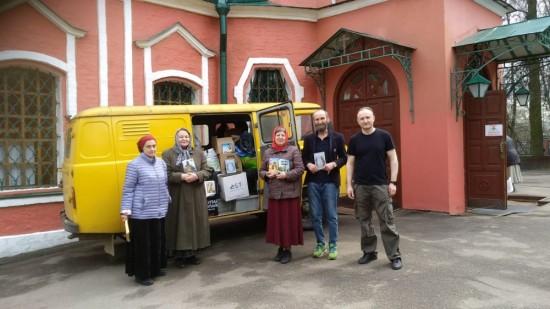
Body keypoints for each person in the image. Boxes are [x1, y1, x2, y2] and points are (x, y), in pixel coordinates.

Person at [346, 107, 402, 270]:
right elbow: (350, 163)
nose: (365, 121)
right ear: (358, 121)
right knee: (364, 220)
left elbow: (394, 159)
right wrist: (349, 184)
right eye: (362, 118)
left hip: (380, 185)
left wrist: (393, 182)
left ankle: (394, 256)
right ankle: (369, 252)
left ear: (373, 118)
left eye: (367, 117)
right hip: (361, 186)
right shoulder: (355, 139)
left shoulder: (384, 136)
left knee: (387, 220)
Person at [120, 134, 170, 286]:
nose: (152, 149)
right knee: (143, 244)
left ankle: (155, 269)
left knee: (157, 241)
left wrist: (168, 198)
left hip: (159, 209)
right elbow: (128, 189)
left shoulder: (161, 163)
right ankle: (142, 275)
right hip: (141, 211)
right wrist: (125, 210)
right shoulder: (134, 165)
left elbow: (165, 184)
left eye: (154, 146)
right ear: (142, 148)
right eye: (148, 146)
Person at [162, 128, 213, 268]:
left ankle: (193, 255)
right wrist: (181, 176)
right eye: (181, 137)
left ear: (190, 138)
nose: (184, 139)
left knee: (194, 223)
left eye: (186, 136)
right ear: (176, 138)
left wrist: (197, 175)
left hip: (196, 193)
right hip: (177, 195)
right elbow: (165, 173)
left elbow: (208, 170)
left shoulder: (198, 152)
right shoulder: (168, 154)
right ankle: (179, 256)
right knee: (180, 225)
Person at [301, 109, 347, 260]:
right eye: (316, 120)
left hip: (330, 182)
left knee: (332, 216)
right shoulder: (308, 139)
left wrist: (334, 164)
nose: (319, 122)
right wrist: (309, 165)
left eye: (322, 119)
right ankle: (320, 243)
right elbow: (304, 158)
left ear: (327, 119)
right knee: (315, 215)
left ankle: (333, 244)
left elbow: (344, 158)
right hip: (313, 182)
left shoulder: (338, 137)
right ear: (314, 122)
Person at [260, 126, 305, 264]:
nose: (280, 137)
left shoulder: (293, 150)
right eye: (277, 135)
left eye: (282, 135)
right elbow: (261, 170)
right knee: (278, 223)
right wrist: (266, 175)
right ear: (274, 136)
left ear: (286, 137)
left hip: (289, 194)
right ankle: (280, 248)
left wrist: (286, 175)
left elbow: (300, 169)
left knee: (288, 223)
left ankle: (288, 250)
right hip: (274, 194)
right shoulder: (268, 152)